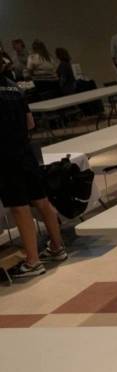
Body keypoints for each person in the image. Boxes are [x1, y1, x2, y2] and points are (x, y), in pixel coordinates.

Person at [0, 74, 67, 278]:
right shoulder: (14, 87)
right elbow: (30, 123)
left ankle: (32, 261)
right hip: (26, 150)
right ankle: (57, 247)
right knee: (41, 200)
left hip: (5, 154)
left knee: (19, 208)